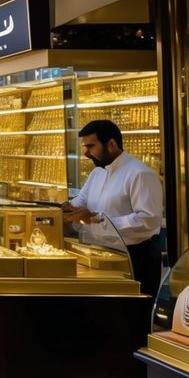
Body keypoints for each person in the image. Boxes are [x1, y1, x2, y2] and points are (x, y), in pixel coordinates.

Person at [61, 119, 163, 298]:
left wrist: (96, 219)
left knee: (132, 318)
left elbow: (147, 220)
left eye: (91, 146)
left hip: (136, 257)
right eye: (84, 147)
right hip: (103, 254)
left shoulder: (140, 174)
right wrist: (66, 209)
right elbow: (82, 201)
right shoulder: (97, 172)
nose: (86, 153)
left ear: (111, 145)